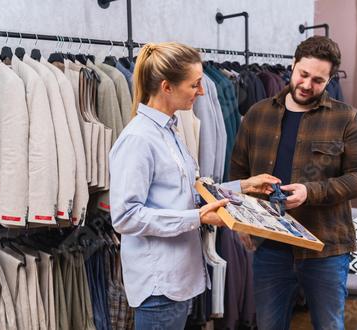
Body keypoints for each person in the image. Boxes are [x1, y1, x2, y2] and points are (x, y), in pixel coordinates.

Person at [109, 42, 280, 329]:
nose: (201, 92)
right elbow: (125, 216)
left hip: (180, 279)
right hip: (159, 285)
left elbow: (189, 192)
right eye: (195, 85)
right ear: (166, 87)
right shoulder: (138, 139)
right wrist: (197, 217)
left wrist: (244, 186)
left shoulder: (169, 130)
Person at [230, 36, 357, 330]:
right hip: (269, 245)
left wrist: (311, 192)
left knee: (329, 326)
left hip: (326, 249)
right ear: (293, 66)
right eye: (303, 74)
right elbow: (239, 173)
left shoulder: (346, 118)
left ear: (330, 79)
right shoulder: (257, 114)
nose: (307, 84)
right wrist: (242, 220)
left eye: (318, 80)